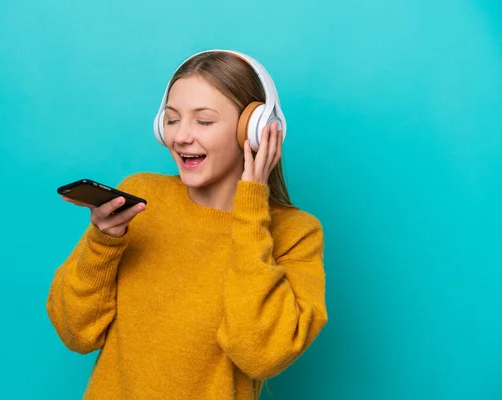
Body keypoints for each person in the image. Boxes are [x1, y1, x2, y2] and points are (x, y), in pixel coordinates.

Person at [46, 49, 328, 400]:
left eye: (204, 121)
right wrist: (103, 242)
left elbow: (260, 354)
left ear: (253, 131)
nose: (180, 136)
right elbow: (76, 331)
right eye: (172, 119)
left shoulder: (296, 233)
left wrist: (251, 209)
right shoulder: (141, 199)